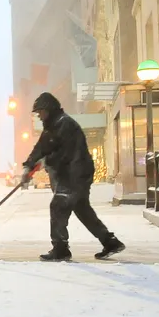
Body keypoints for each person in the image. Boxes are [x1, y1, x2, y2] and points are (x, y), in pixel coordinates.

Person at [20, 92, 125, 261]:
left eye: (40, 112)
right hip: (71, 174)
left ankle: (60, 248)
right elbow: (41, 148)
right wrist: (28, 166)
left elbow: (67, 154)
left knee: (58, 206)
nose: (38, 115)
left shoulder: (65, 124)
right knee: (83, 210)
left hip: (75, 174)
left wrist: (47, 161)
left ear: (49, 109)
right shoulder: (52, 126)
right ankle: (110, 242)